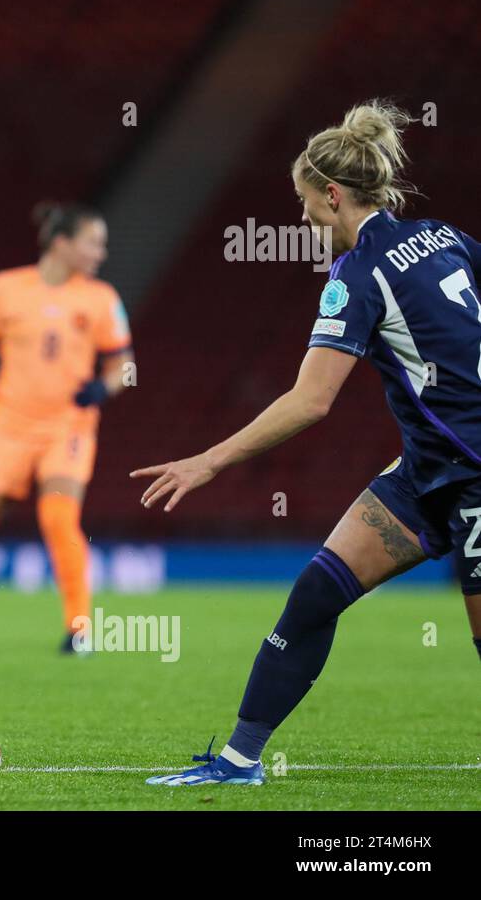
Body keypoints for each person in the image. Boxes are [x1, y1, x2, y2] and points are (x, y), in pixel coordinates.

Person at [136, 101, 481, 786]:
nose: (302, 221)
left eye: (304, 204)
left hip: (473, 472)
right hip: (424, 473)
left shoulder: (358, 274)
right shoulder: (446, 236)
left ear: (332, 194)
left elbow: (310, 401)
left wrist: (207, 461)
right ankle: (238, 761)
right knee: (317, 593)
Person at [0, 203, 133, 655]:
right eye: (93, 242)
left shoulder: (100, 299)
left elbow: (123, 364)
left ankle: (79, 629)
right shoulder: (6, 288)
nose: (101, 252)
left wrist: (104, 387)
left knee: (58, 519)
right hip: (7, 426)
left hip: (67, 428)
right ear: (62, 243)